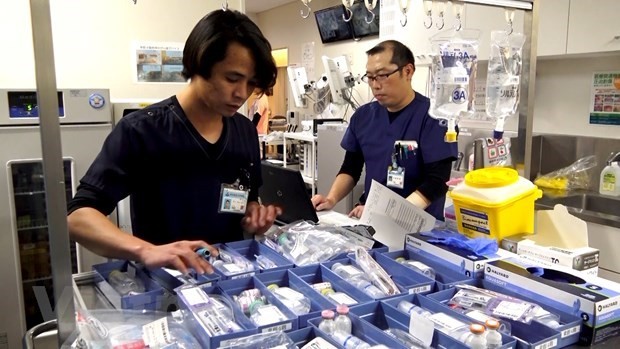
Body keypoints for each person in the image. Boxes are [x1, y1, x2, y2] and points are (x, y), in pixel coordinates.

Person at [67, 9, 280, 275]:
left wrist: (253, 215)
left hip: (231, 280)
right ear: (199, 64)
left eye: (252, 84)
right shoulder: (143, 131)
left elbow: (245, 198)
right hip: (166, 285)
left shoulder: (245, 130)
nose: (242, 94)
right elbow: (79, 216)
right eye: (232, 79)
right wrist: (146, 250)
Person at [311, 40, 457, 221]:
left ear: (408, 71)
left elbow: (437, 182)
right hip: (370, 220)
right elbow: (350, 168)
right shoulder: (363, 117)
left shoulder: (434, 117)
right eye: (370, 77)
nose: (375, 85)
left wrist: (389, 215)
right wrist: (331, 199)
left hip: (418, 227)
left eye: (382, 76)